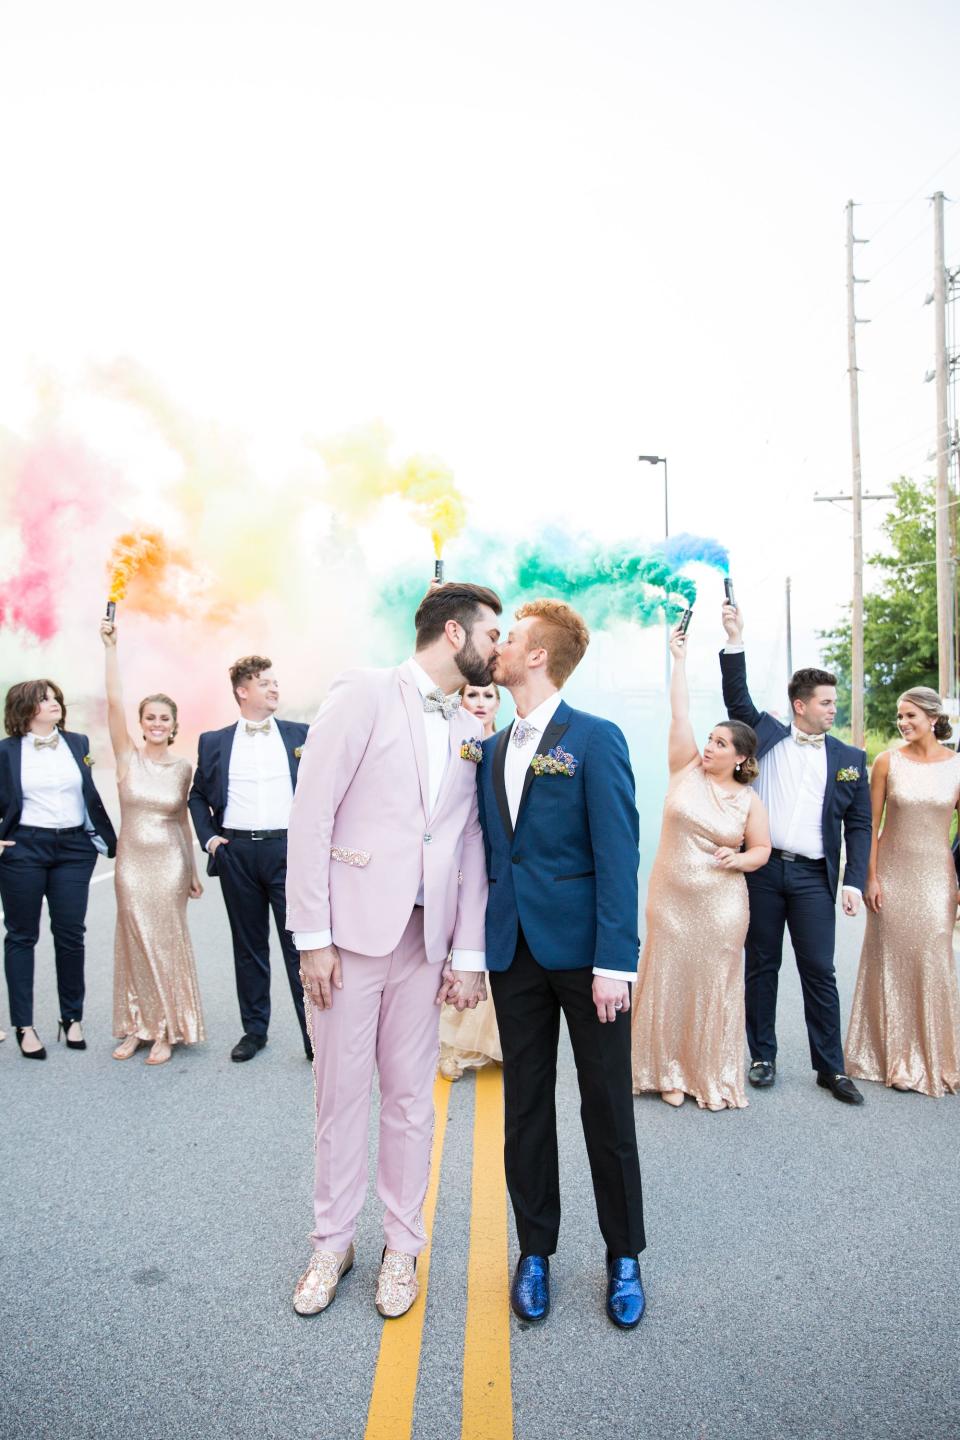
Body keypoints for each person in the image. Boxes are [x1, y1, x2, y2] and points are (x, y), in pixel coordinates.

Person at [287, 582, 499, 1320]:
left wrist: (466, 952)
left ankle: (402, 1247)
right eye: (492, 634)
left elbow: (469, 841)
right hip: (348, 938)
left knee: (414, 1101)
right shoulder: (363, 691)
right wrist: (312, 938)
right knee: (340, 1098)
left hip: (425, 941)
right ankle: (331, 1242)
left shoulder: (473, 724)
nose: (499, 649)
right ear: (452, 633)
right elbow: (311, 816)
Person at [477, 598, 646, 1330]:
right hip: (513, 951)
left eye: (509, 637)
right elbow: (491, 854)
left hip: (587, 960)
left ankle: (625, 1255)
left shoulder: (596, 739)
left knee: (606, 1107)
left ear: (537, 655)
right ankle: (535, 1250)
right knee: (524, 1109)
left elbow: (619, 856)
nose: (499, 645)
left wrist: (617, 961)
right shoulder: (488, 748)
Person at [720, 602, 871, 1104]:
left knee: (820, 971)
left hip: (813, 879)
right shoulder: (765, 734)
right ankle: (762, 1056)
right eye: (827, 702)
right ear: (800, 705)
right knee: (762, 966)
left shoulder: (850, 760)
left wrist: (852, 880)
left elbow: (860, 823)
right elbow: (735, 694)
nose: (834, 709)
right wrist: (735, 637)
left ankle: (831, 1067)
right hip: (762, 872)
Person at [632, 622, 771, 1110]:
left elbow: (762, 850)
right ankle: (666, 1069)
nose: (708, 747)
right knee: (669, 975)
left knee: (712, 982)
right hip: (670, 899)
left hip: (721, 905)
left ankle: (706, 1071)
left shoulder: (749, 801)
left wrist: (739, 858)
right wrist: (680, 659)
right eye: (709, 739)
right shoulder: (683, 768)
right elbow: (680, 710)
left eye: (719, 743)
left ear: (740, 758)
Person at [188, 656, 310, 1062]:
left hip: (288, 851)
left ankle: (315, 1036)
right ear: (242, 691)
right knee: (248, 946)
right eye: (265, 683)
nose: (275, 689)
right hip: (236, 853)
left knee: (300, 946)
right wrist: (210, 840)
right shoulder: (214, 741)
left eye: (276, 682)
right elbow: (198, 795)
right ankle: (254, 1031)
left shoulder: (301, 735)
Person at [100, 617, 205, 1066]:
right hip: (131, 865)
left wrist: (193, 871)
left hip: (169, 865)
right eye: (150, 717)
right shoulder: (126, 758)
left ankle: (165, 1029)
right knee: (132, 940)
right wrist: (110, 648)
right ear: (141, 723)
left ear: (174, 724)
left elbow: (182, 821)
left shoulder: (183, 768)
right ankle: (136, 1024)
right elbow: (112, 701)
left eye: (165, 718)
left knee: (163, 942)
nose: (157, 723)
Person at [846, 687, 960, 1096]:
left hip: (937, 880)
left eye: (910, 715)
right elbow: (869, 826)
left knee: (933, 961)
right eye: (900, 716)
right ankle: (891, 1057)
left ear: (933, 718)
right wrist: (869, 878)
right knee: (889, 963)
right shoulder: (886, 762)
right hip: (891, 876)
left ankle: (934, 1057)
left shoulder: (957, 767)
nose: (903, 722)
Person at [0, 679, 116, 1060]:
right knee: (21, 936)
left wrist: (98, 838)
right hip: (24, 850)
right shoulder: (6, 751)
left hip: (73, 848)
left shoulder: (78, 743)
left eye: (55, 698)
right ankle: (24, 1025)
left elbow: (88, 793)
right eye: (44, 699)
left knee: (70, 933)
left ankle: (72, 1018)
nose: (54, 703)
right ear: (25, 708)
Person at [439, 680, 503, 1080]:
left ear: (500, 703)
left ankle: (490, 1041)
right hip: (459, 857)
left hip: (499, 859)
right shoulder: (452, 743)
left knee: (493, 947)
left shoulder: (511, 744)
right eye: (472, 695)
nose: (480, 703)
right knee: (460, 942)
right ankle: (450, 1041)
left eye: (488, 696)